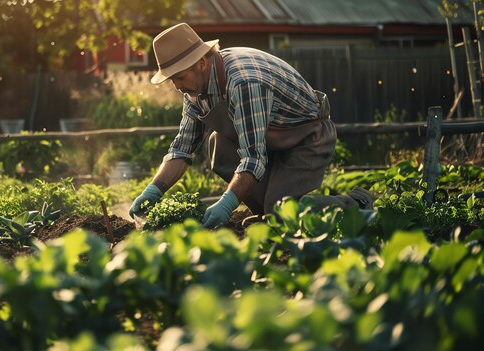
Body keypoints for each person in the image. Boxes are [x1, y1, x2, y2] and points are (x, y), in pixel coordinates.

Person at [129, 23, 373, 228]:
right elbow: (182, 150)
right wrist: (153, 191)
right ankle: (270, 216)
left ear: (201, 63)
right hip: (268, 140)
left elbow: (253, 159)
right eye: (172, 79)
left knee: (282, 212)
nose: (176, 86)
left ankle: (353, 204)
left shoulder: (243, 82)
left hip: (306, 138)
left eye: (179, 77)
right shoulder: (195, 90)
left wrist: (227, 203)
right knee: (218, 145)